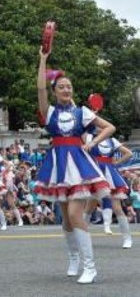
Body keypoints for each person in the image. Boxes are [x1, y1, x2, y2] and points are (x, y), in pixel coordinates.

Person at [34, 47, 114, 284]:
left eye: (69, 86)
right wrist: (43, 59)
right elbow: (40, 88)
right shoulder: (48, 112)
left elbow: (109, 127)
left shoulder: (83, 112)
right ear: (55, 91)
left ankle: (90, 267)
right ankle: (74, 258)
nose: (66, 89)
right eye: (61, 87)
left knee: (74, 213)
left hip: (79, 165)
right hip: (58, 165)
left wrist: (93, 144)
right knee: (66, 219)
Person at [83, 128, 133, 249]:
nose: (101, 128)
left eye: (104, 127)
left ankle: (127, 239)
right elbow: (81, 132)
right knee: (89, 207)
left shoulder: (113, 141)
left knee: (117, 207)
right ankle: (81, 239)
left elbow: (129, 153)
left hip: (110, 174)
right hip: (96, 173)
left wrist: (116, 163)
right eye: (100, 126)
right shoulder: (90, 138)